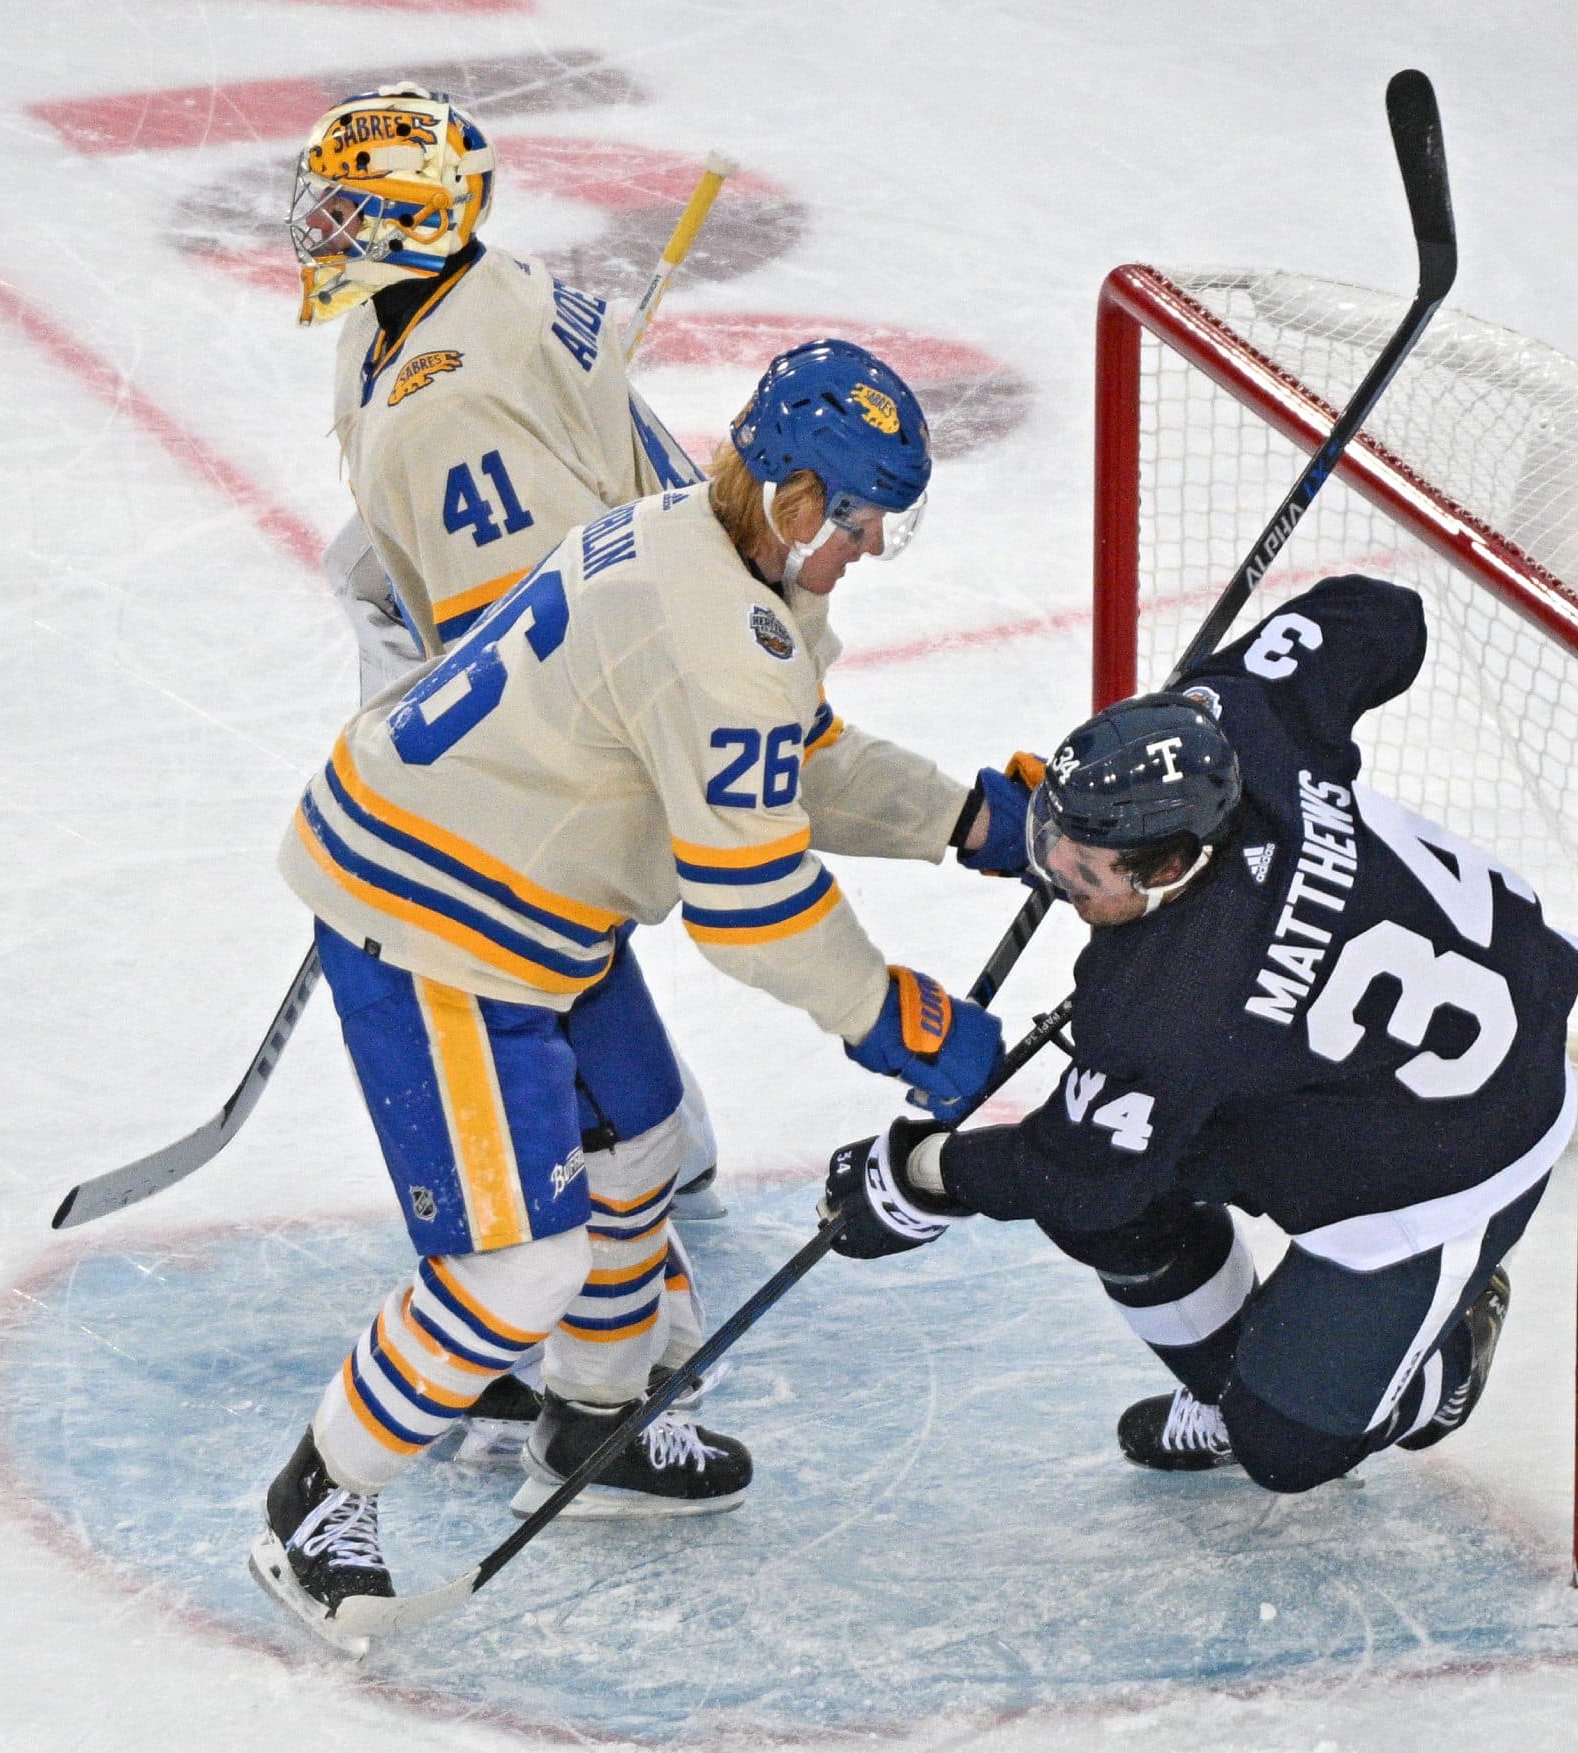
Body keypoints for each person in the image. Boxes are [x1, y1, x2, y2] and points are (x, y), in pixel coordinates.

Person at [249, 333, 1042, 1650]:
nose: (867, 557)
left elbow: (798, 753)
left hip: (528, 900)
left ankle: (592, 1421)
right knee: (516, 1269)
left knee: (644, 1153)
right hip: (433, 922)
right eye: (863, 529)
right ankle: (314, 1503)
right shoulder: (715, 634)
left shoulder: (691, 539)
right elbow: (750, 904)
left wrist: (966, 822)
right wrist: (898, 1020)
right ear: (798, 503)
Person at [819, 574, 1578, 1496]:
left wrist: (918, 1178)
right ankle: (1239, 1387)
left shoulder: (1173, 998)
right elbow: (1387, 617)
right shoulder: (1237, 721)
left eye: (1082, 865)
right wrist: (1209, 702)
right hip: (1345, 1057)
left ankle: (1441, 1367)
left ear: (1172, 867)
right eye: (1054, 837)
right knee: (1115, 1194)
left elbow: (1072, 1163)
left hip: (1457, 1145)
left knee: (1286, 1449)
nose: (1054, 871)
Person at [285, 83, 729, 1458]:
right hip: (601, 693)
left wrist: (417, 698)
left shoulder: (450, 398)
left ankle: (542, 1327)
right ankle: (603, 1313)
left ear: (420, 222)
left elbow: (524, 648)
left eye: (351, 206)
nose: (320, 225)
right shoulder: (412, 316)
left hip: (580, 755)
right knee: (608, 1088)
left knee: (557, 1024)